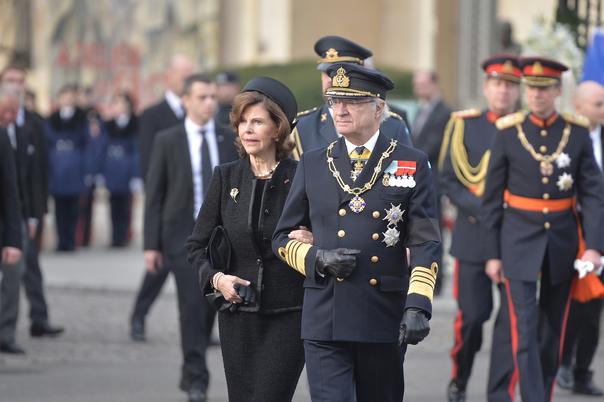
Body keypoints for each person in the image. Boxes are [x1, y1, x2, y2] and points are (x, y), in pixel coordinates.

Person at [273, 62, 441, 402]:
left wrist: (418, 304)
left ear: (379, 108)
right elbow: (281, 237)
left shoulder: (411, 162)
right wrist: (318, 258)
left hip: (382, 313)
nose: (340, 110)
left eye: (352, 101)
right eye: (334, 100)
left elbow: (425, 239)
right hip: (325, 313)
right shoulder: (314, 162)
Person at [482, 57, 604, 402]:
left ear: (557, 91)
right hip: (517, 241)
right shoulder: (508, 132)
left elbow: (593, 195)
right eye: (532, 89)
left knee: (553, 330)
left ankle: (542, 393)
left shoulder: (576, 132)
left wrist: (594, 246)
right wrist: (492, 254)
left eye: (544, 89)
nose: (537, 96)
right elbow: (491, 199)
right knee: (524, 327)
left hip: (562, 242)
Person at [186, 76, 308, 402]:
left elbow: (328, 235)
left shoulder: (303, 177)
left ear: (278, 129)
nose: (247, 129)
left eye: (257, 122)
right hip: (236, 315)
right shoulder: (226, 177)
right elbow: (196, 246)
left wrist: (314, 239)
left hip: (289, 315)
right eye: (242, 122)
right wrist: (216, 279)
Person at [143, 73, 238, 402]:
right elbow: (154, 194)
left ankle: (196, 371)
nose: (210, 103)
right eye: (202, 97)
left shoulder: (228, 139)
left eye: (213, 97)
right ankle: (196, 378)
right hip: (183, 238)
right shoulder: (167, 140)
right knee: (192, 307)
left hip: (223, 239)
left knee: (214, 305)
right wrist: (150, 245)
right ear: (185, 101)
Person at [439, 55, 521, 402]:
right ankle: (460, 377)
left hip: (516, 238)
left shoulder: (526, 128)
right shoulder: (465, 124)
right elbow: (448, 179)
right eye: (497, 84)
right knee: (472, 318)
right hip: (473, 236)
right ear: (486, 88)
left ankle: (500, 392)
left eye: (510, 85)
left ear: (518, 91)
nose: (503, 90)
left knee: (512, 325)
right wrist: (487, 208)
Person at [130, 54, 195, 342]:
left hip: (197, 206)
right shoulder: (153, 116)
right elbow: (148, 163)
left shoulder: (201, 114)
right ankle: (139, 316)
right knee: (159, 268)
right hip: (169, 207)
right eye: (183, 75)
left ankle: (200, 327)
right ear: (168, 77)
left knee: (199, 269)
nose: (187, 81)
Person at [0, 65, 64, 337]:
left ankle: (37, 318)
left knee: (30, 267)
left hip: (24, 209)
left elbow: (39, 172)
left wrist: (37, 214)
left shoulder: (35, 123)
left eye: (19, 80)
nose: (15, 84)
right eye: (9, 80)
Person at [556, 80, 604, 396]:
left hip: (599, 236)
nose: (603, 109)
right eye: (598, 103)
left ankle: (583, 369)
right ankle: (563, 363)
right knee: (571, 305)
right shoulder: (565, 139)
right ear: (579, 105)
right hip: (572, 233)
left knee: (594, 306)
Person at [291, 35, 412, 159]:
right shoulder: (303, 127)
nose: (333, 80)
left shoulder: (393, 125)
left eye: (342, 73)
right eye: (327, 73)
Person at [0, 83, 39, 353]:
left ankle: (6, 333)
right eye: (3, 111)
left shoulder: (6, 136)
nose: (8, 117)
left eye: (13, 111)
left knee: (13, 280)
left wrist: (14, 239)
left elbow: (10, 191)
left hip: (7, 225)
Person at [412, 69, 451, 295]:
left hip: (432, 180)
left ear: (435, 84)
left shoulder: (443, 112)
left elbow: (433, 146)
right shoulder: (422, 110)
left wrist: (410, 157)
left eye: (422, 83)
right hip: (418, 177)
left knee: (432, 229)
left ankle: (435, 277)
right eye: (416, 84)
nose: (418, 88)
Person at [46, 84, 90, 252]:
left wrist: (87, 170)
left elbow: (87, 144)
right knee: (59, 207)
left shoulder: (82, 119)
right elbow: (48, 141)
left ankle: (70, 239)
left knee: (73, 207)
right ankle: (61, 240)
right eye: (64, 96)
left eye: (71, 96)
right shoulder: (52, 119)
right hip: (58, 167)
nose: (67, 99)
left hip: (74, 166)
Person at [100, 91, 139, 247]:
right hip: (112, 167)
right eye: (115, 103)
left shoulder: (136, 124)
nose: (118, 106)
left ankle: (124, 235)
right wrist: (100, 171)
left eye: (121, 103)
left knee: (126, 205)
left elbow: (137, 151)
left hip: (127, 167)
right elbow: (102, 148)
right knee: (113, 205)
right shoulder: (108, 125)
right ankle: (115, 236)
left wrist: (136, 174)